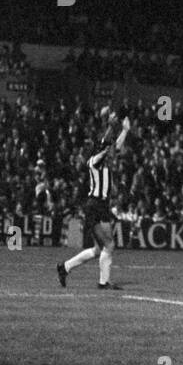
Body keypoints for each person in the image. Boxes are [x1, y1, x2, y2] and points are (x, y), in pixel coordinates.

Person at [57, 116, 130, 289]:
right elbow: (109, 148)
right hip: (95, 205)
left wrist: (124, 131)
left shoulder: (104, 161)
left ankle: (65, 267)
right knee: (109, 244)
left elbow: (113, 148)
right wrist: (112, 129)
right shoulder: (94, 162)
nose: (113, 152)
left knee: (99, 249)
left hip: (100, 206)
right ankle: (103, 283)